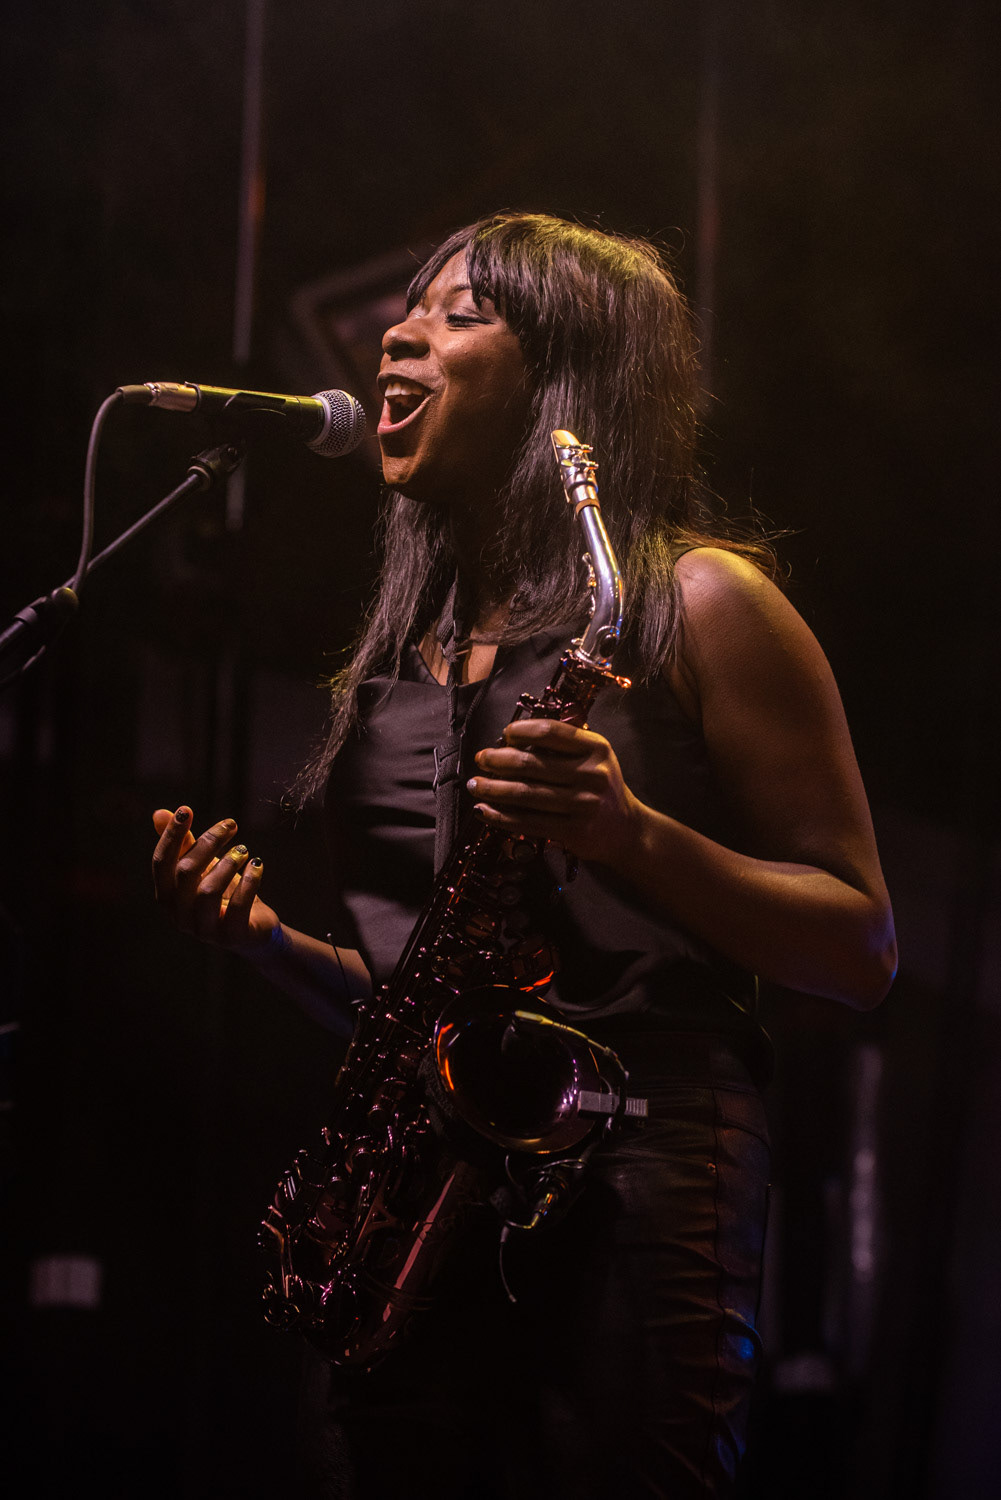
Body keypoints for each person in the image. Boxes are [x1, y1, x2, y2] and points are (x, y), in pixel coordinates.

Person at [151, 213, 896, 1499]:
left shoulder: (703, 604)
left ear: (562, 379)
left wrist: (632, 834)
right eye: (407, 308)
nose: (400, 335)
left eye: (459, 313)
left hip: (639, 1174)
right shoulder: (398, 662)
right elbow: (418, 999)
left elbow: (857, 945)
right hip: (418, 1198)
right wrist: (263, 943)